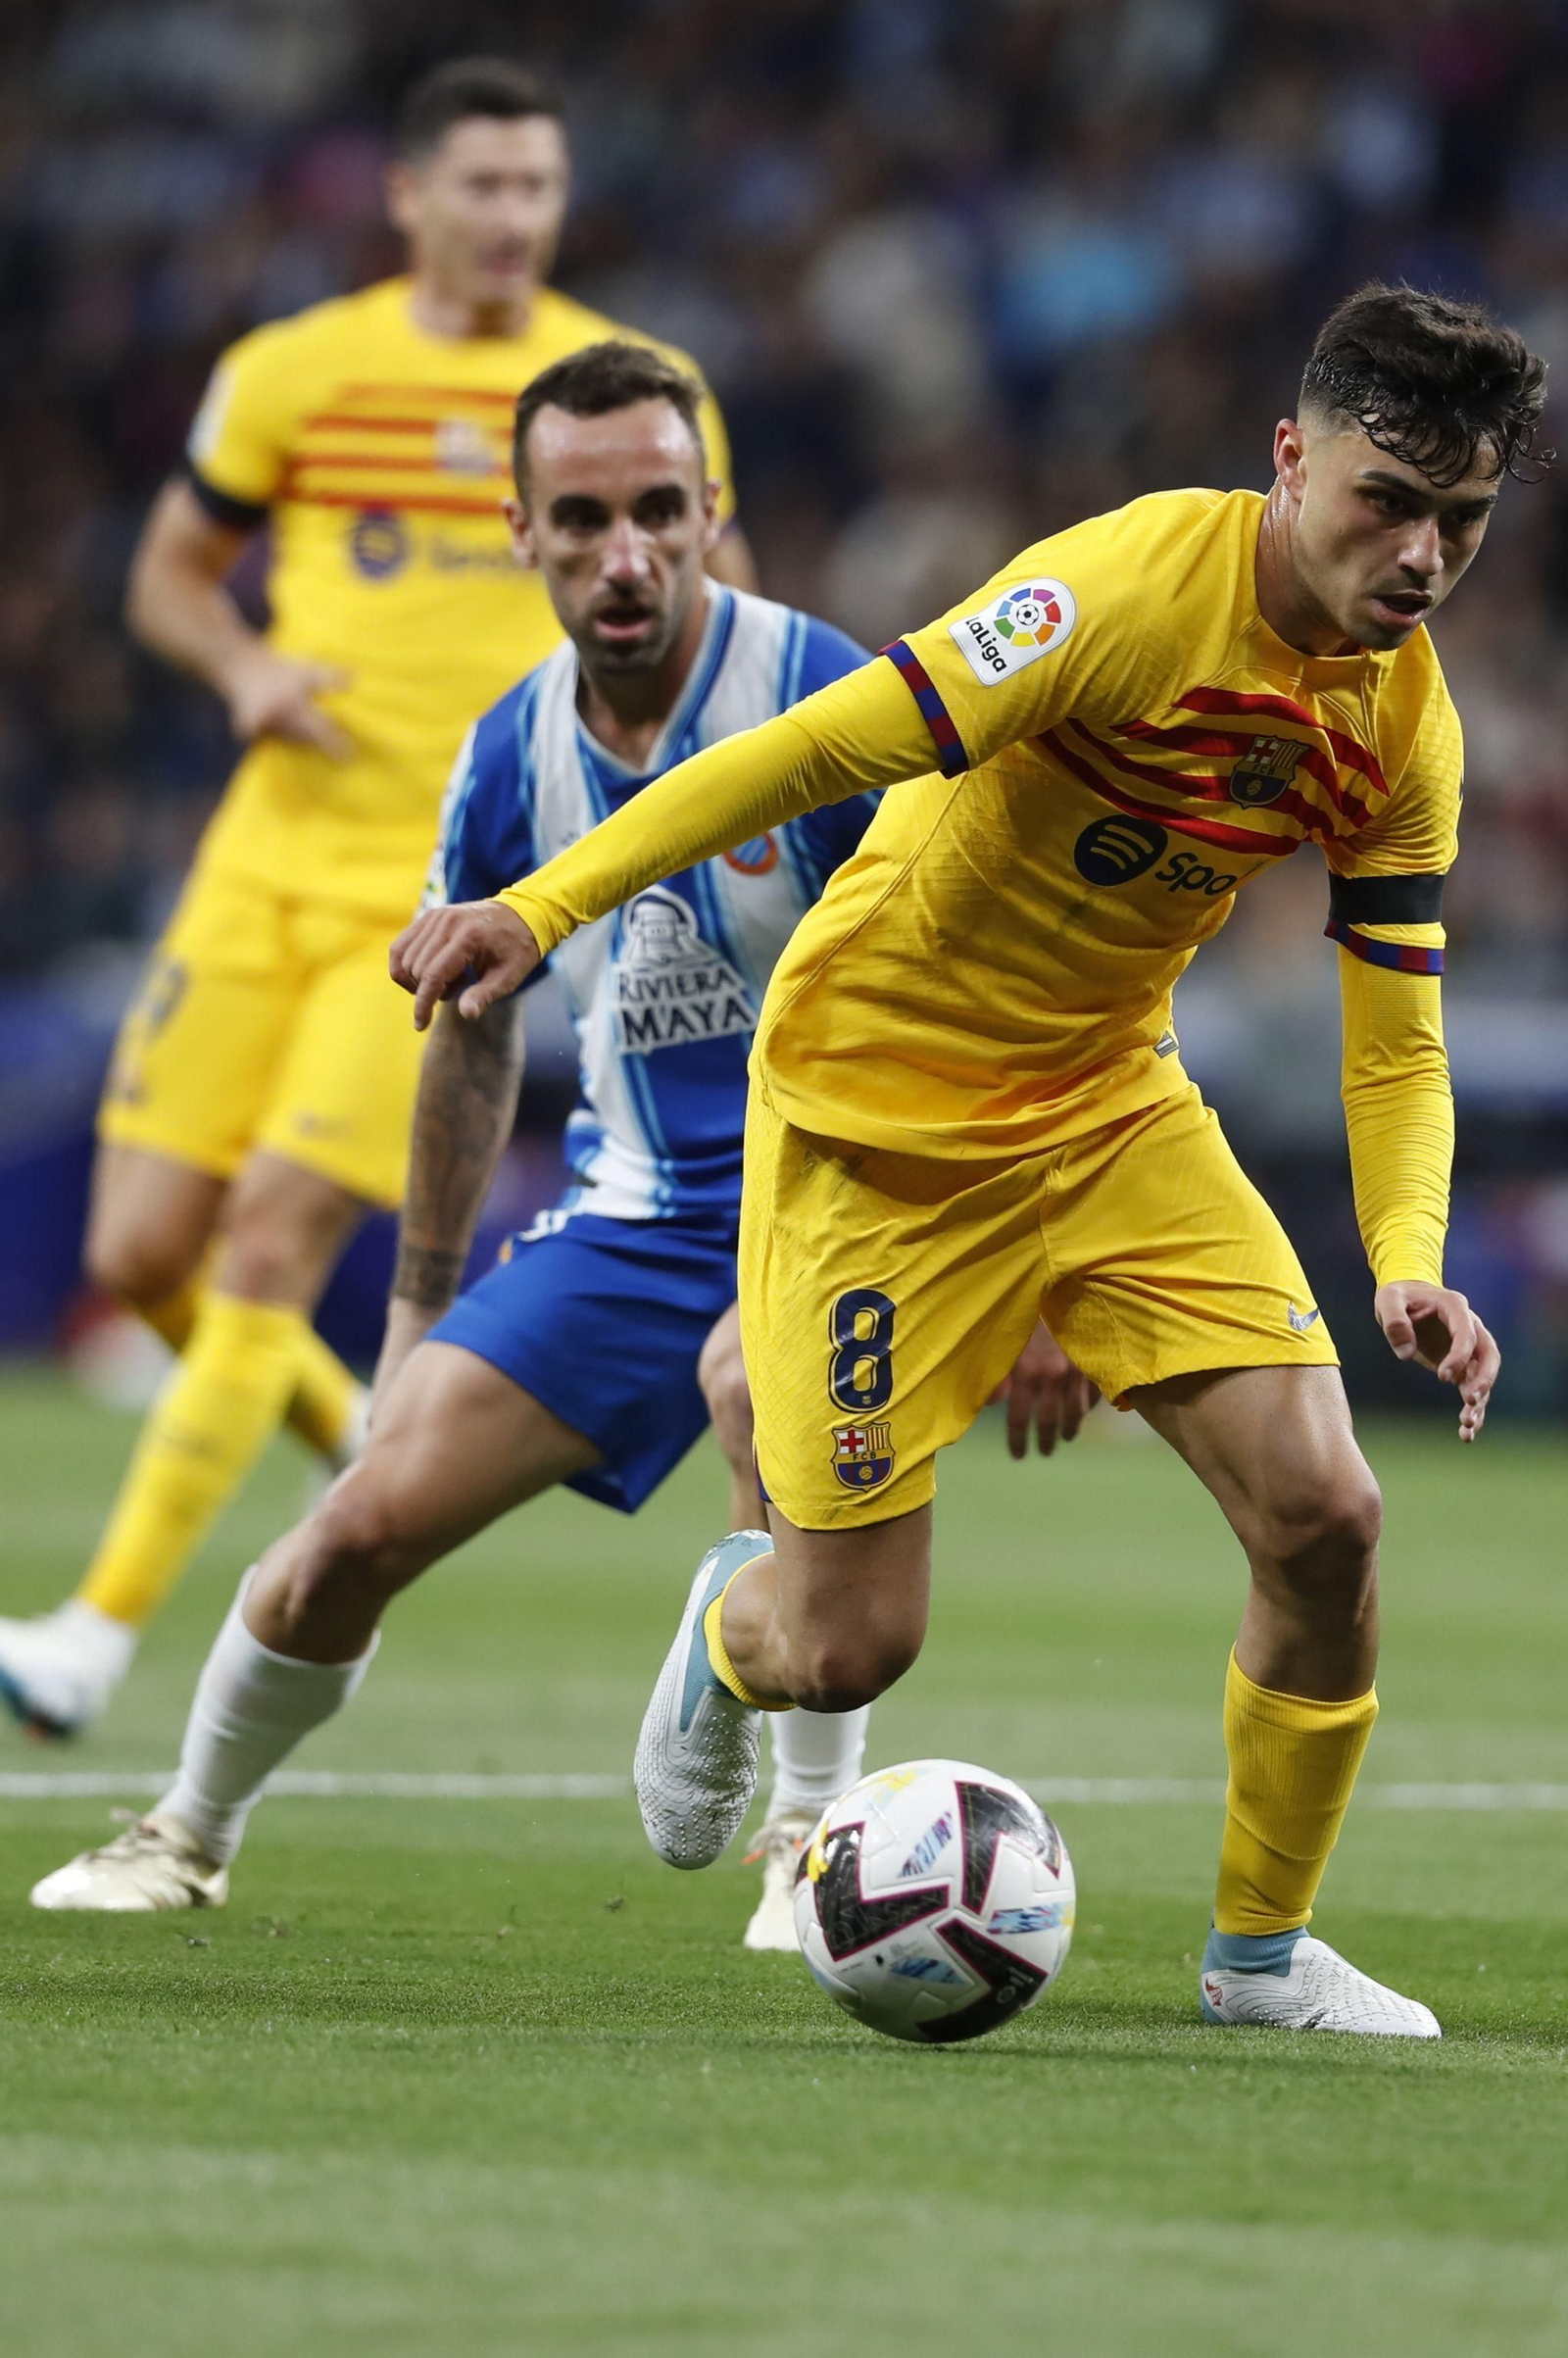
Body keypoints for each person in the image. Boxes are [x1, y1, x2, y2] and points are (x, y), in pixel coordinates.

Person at [382, 283, 1538, 2037]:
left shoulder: (1407, 723)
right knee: (846, 1649)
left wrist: (1407, 1249)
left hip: (1107, 1105)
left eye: (1464, 516)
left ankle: (1257, 1959)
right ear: (1293, 458)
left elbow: (1397, 1024)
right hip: (878, 1117)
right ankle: (723, 1635)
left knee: (1327, 1516)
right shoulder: (1126, 590)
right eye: (1391, 497)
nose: (1424, 552)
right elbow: (814, 745)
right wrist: (544, 908)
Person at [28, 344, 1094, 1947]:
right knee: (354, 1529)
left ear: (712, 511)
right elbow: (468, 1034)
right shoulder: (504, 755)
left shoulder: (828, 700)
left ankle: (808, 1839)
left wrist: (1048, 1267)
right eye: (582, 518)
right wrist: (411, 1312)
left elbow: (1006, 969)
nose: (626, 554)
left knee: (760, 1375)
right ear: (516, 530)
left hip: (862, 1201)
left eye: (661, 511)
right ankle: (186, 1827)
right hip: (637, 1214)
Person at [0, 59, 754, 1741]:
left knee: (266, 1238)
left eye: (538, 189)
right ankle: (380, 1447)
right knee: (136, 1255)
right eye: (480, 186)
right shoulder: (294, 370)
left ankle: (94, 1633)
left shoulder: (619, 396)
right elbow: (167, 576)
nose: (512, 218)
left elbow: (732, 607)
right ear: (407, 194)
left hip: (447, 890)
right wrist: (249, 664)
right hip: (261, 859)